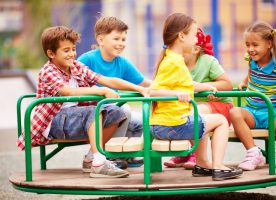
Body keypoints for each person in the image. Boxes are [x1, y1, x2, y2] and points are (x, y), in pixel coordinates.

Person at [16, 26, 148, 178]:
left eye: (73, 49)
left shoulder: (75, 67)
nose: (72, 54)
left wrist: (139, 89)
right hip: (53, 121)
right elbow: (67, 91)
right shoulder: (48, 71)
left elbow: (105, 80)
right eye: (66, 50)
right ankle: (99, 163)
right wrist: (101, 91)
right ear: (51, 53)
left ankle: (92, 158)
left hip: (74, 118)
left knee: (118, 112)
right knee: (95, 110)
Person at [149, 13, 242, 181]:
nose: (196, 39)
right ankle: (218, 166)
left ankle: (202, 164)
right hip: (172, 125)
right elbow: (153, 91)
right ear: (181, 36)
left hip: (167, 123)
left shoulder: (174, 59)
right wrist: (176, 94)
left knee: (203, 120)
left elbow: (184, 83)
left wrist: (205, 86)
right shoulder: (173, 62)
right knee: (220, 120)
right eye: (193, 34)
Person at [78, 16, 151, 168]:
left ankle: (126, 154)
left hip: (112, 111)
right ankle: (110, 155)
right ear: (101, 40)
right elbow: (75, 86)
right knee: (124, 109)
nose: (121, 43)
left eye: (123, 39)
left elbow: (144, 82)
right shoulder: (87, 60)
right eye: (116, 38)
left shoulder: (122, 63)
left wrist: (169, 86)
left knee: (142, 120)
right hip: (92, 113)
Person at [229, 21, 276, 171]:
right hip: (251, 112)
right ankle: (253, 153)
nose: (250, 49)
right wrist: (243, 81)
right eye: (247, 45)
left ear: (269, 43)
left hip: (273, 113)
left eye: (255, 45)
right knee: (234, 112)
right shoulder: (250, 59)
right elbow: (252, 72)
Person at [163, 28, 234, 170]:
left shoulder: (208, 61)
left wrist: (206, 87)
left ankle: (197, 156)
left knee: (195, 111)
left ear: (195, 49)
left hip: (220, 107)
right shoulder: (176, 64)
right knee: (187, 112)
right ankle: (189, 153)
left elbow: (227, 84)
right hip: (193, 108)